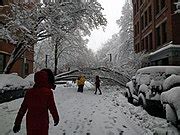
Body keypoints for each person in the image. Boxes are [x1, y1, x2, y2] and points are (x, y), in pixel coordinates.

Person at [13, 70, 59, 135]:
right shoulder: (48, 92)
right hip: (42, 121)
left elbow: (22, 109)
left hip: (30, 121)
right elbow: (52, 107)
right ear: (46, 79)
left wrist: (17, 123)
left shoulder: (29, 92)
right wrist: (56, 118)